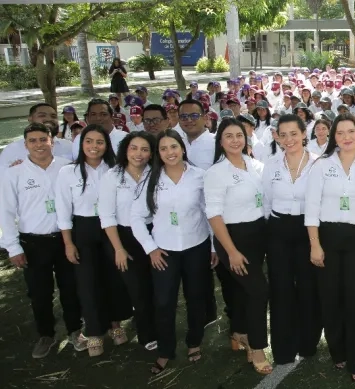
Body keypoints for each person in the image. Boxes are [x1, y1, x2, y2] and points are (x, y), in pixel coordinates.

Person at [305, 113, 355, 381]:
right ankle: (338, 352)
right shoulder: (321, 165)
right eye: (340, 133)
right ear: (332, 136)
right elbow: (311, 208)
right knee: (330, 298)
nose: (346, 137)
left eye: (351, 131)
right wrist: (315, 245)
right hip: (326, 237)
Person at [131, 130, 215, 374]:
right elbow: (136, 218)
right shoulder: (150, 179)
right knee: (164, 302)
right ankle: (165, 350)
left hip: (196, 247)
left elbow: (209, 213)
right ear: (158, 153)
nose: (170, 152)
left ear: (182, 148)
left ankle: (194, 342)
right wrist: (151, 249)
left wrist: (211, 246)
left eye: (174, 146)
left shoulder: (199, 176)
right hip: (164, 252)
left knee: (196, 298)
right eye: (164, 148)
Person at [0, 123, 86, 358]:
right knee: (39, 292)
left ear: (52, 141)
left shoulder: (67, 168)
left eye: (42, 139)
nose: (38, 145)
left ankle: (75, 331)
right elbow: (6, 212)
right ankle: (46, 335)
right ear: (25, 144)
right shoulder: (14, 172)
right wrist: (13, 247)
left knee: (71, 288)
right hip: (33, 242)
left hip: (65, 239)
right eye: (32, 141)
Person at [56, 124, 133, 357]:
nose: (94, 147)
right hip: (83, 229)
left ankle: (115, 324)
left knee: (115, 278)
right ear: (81, 144)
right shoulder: (67, 172)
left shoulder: (116, 169)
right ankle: (94, 331)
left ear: (106, 146)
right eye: (89, 141)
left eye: (99, 142)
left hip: (112, 229)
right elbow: (62, 210)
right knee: (87, 282)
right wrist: (69, 243)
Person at [204, 118, 271, 375]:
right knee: (259, 291)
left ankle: (239, 332)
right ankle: (257, 346)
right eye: (229, 136)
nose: (235, 140)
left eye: (239, 135)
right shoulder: (215, 173)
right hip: (233, 238)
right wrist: (230, 251)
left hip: (258, 234)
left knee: (245, 291)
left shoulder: (256, 165)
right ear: (220, 141)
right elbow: (214, 215)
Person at [263, 114, 322, 365]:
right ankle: (283, 350)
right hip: (278, 230)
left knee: (309, 288)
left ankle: (308, 344)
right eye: (283, 135)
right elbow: (266, 202)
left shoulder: (319, 163)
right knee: (281, 289)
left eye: (294, 134)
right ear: (277, 137)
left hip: (309, 230)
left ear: (303, 134)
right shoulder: (271, 164)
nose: (289, 140)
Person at [98, 131, 158, 351]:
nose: (138, 154)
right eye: (134, 148)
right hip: (123, 238)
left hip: (154, 235)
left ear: (151, 153)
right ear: (125, 150)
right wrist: (118, 249)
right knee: (138, 290)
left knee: (156, 287)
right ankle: (147, 334)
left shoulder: (156, 174)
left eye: (144, 149)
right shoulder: (112, 176)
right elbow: (107, 216)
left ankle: (159, 327)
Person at [0, 104, 74, 173]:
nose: (49, 119)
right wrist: (12, 172)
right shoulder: (12, 149)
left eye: (53, 116)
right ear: (30, 119)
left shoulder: (69, 146)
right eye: (42, 115)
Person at [178, 100, 216, 170]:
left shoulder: (217, 143)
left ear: (205, 118)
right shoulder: (177, 145)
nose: (189, 120)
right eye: (184, 116)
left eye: (194, 116)